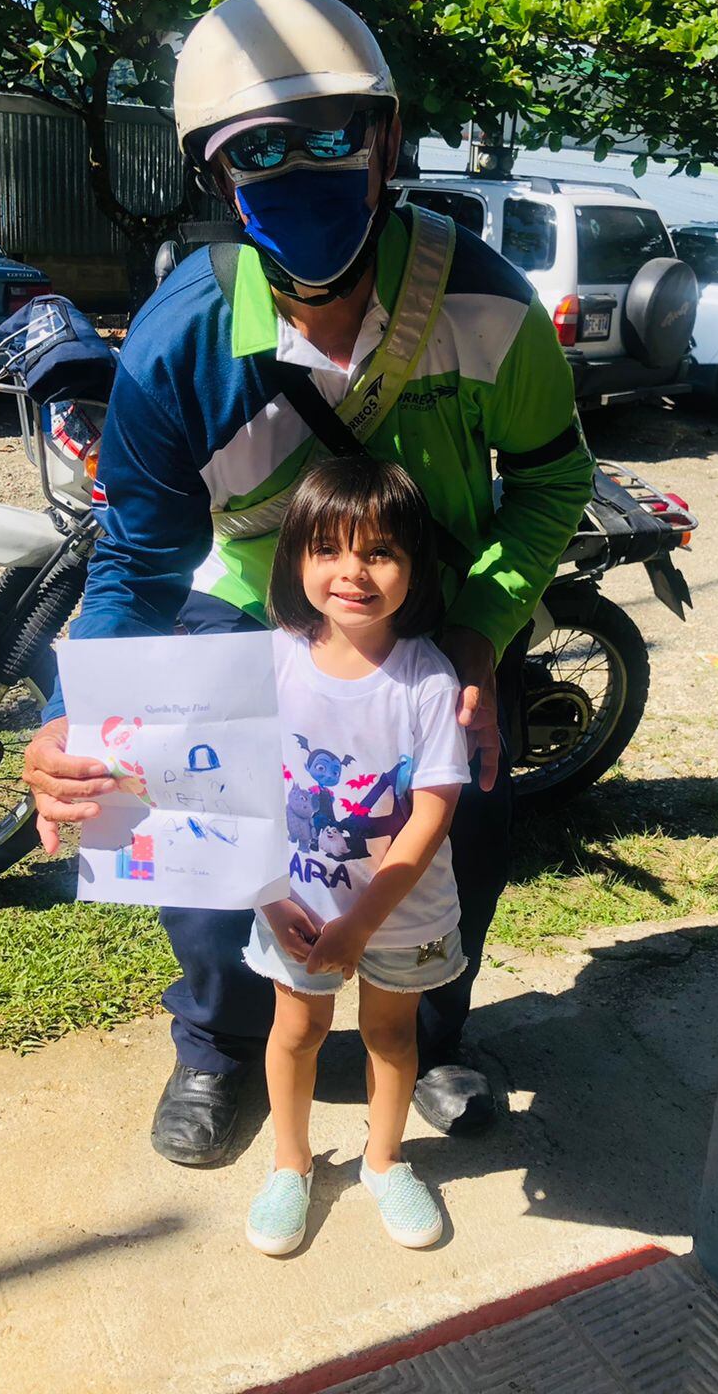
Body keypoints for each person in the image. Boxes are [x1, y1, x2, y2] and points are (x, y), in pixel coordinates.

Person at [22, 0, 594, 1169]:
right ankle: (220, 1050)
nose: (303, 168)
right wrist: (69, 716)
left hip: (432, 619)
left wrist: (482, 629)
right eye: (259, 149)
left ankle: (432, 1035)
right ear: (215, 177)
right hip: (248, 615)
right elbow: (136, 553)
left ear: (387, 140)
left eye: (336, 134)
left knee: (449, 835)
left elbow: (550, 481)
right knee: (214, 845)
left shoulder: (485, 303)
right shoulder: (183, 338)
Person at [246, 453, 470, 1256]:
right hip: (298, 907)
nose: (353, 572)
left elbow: (431, 816)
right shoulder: (269, 659)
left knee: (392, 1036)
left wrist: (361, 927)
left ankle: (384, 1160)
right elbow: (238, 792)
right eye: (328, 549)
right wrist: (274, 901)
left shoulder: (427, 682)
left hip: (399, 916)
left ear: (414, 566)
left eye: (379, 552)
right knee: (296, 1032)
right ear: (295, 559)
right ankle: (289, 1164)